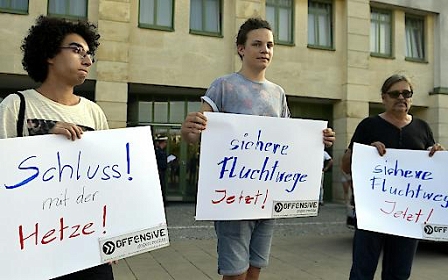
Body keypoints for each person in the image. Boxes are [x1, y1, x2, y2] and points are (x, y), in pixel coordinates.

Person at [181, 17, 336, 280]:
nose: (265, 50)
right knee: (235, 272)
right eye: (257, 44)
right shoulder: (223, 85)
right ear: (241, 48)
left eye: (270, 45)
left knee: (255, 268)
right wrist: (189, 130)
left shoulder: (278, 93)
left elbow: (288, 141)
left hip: (267, 197)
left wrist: (318, 141)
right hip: (233, 198)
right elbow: (197, 134)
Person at [0, 16, 113, 280]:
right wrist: (44, 134)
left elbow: (108, 183)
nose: (88, 60)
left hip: (87, 246)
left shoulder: (93, 112)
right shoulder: (16, 106)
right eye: (77, 50)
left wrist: (113, 237)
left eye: (90, 54)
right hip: (32, 243)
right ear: (50, 54)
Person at [341, 74, 444, 280]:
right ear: (384, 98)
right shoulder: (368, 125)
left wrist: (437, 155)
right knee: (362, 271)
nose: (401, 98)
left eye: (406, 93)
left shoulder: (422, 128)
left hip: (408, 216)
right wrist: (364, 153)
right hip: (371, 212)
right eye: (395, 93)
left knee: (399, 273)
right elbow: (345, 165)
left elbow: (430, 168)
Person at [154, 134, 168, 202]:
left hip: (162, 170)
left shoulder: (162, 151)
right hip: (159, 170)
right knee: (160, 186)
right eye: (165, 142)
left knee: (162, 185)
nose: (166, 144)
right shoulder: (158, 151)